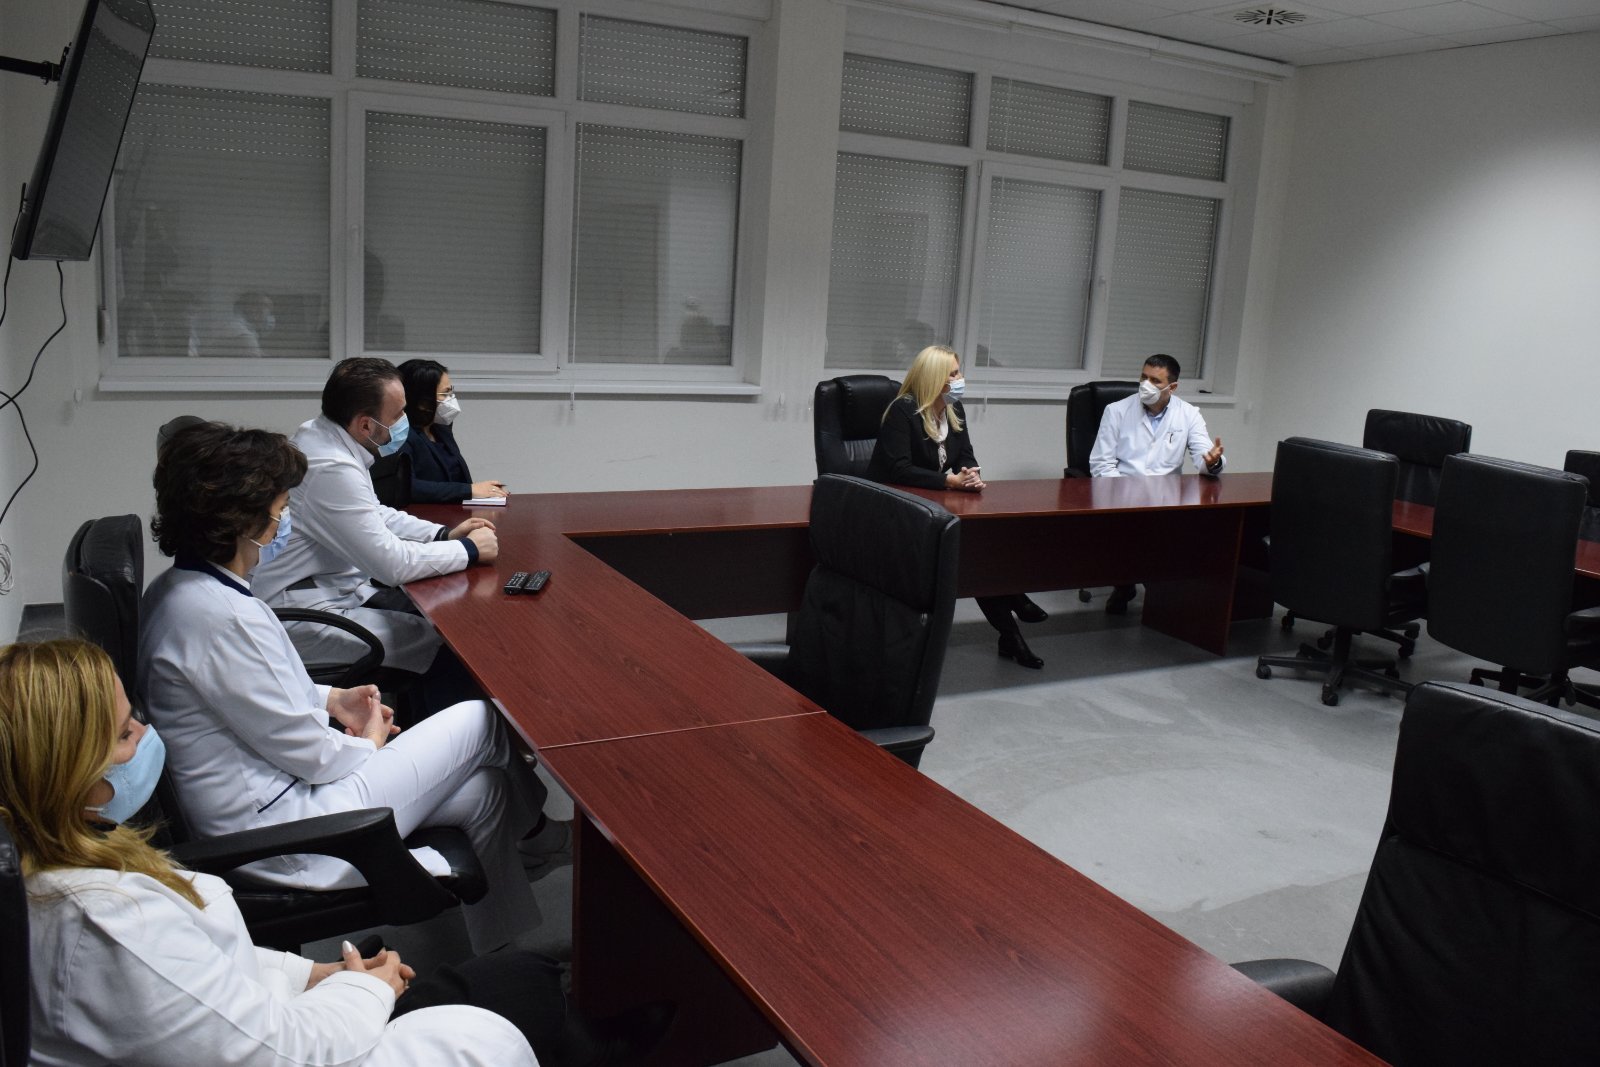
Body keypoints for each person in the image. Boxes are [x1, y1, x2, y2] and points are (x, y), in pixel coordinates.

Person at [0, 638, 538, 1067]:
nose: (145, 734)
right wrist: (364, 989)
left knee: (482, 803)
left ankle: (519, 908)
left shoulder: (70, 858)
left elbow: (194, 978)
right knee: (522, 993)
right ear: (67, 772)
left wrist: (312, 974)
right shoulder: (106, 923)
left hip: (280, 994)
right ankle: (542, 835)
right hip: (302, 1002)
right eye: (124, 734)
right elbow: (281, 1052)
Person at [139, 421, 567, 955]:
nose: (286, 520)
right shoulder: (222, 617)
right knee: (481, 719)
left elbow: (251, 696)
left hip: (275, 802)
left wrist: (333, 699)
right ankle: (541, 833)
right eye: (281, 508)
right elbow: (317, 758)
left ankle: (504, 961)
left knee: (485, 793)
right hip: (290, 836)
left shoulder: (183, 591)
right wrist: (370, 743)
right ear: (241, 520)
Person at [253, 357, 497, 684]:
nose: (404, 422)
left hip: (331, 589)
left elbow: (374, 512)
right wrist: (469, 550)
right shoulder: (331, 467)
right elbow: (392, 565)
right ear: (366, 425)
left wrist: (443, 534)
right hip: (304, 614)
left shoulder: (324, 434)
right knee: (447, 644)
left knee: (440, 613)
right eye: (397, 415)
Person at [867, 344, 1049, 669]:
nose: (960, 378)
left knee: (976, 548)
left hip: (932, 506)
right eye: (953, 373)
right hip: (894, 510)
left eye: (958, 371)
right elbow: (898, 470)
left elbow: (965, 454)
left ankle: (1011, 630)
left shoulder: (954, 410)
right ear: (934, 377)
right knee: (970, 554)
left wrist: (971, 474)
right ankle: (1013, 607)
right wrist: (949, 482)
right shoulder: (903, 411)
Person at [1089, 353, 1225, 614]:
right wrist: (1127, 495)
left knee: (1189, 532)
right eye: (1143, 377)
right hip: (1122, 492)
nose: (1146, 385)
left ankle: (1167, 591)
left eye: (1155, 381)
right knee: (1133, 532)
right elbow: (1101, 464)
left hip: (1166, 497)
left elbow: (1205, 456)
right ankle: (1125, 583)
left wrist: (1213, 462)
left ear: (1172, 387)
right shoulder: (1116, 411)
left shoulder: (1188, 414)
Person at [398, 359, 507, 503]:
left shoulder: (441, 429)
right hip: (423, 514)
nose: (451, 398)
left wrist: (485, 491)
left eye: (451, 391)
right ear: (422, 402)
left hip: (456, 509)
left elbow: (455, 478)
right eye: (445, 393)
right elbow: (407, 487)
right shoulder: (401, 436)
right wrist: (469, 490)